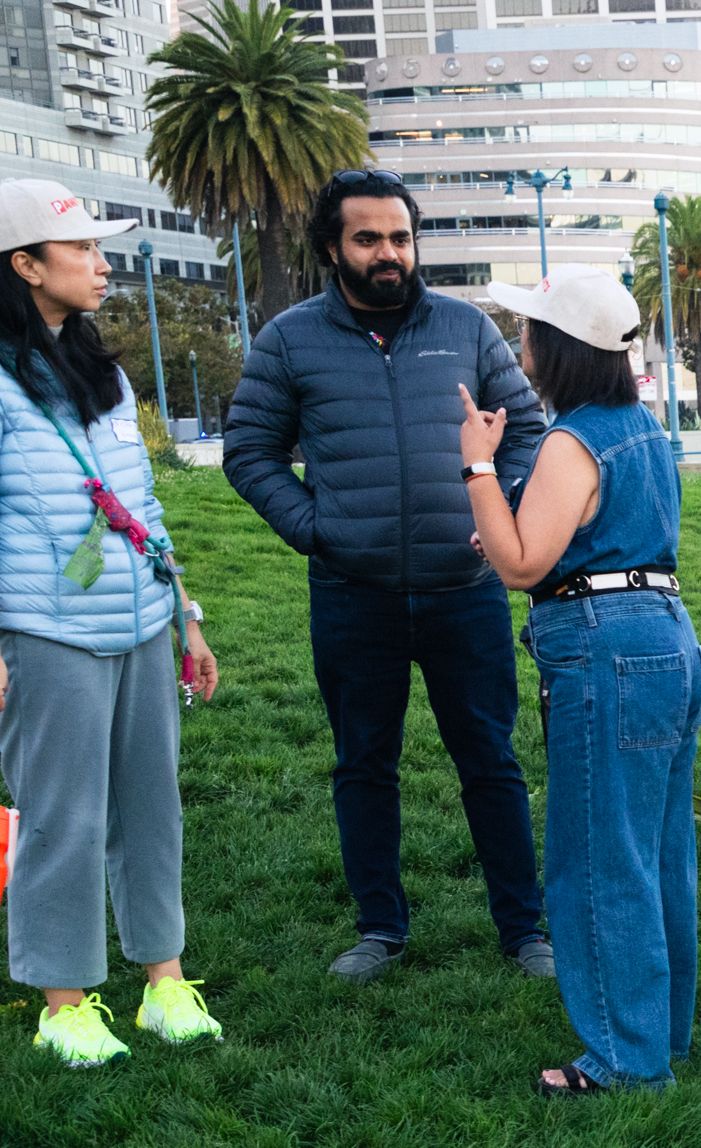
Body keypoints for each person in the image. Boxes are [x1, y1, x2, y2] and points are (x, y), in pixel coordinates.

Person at [0, 179, 223, 1066]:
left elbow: (139, 502)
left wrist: (183, 614)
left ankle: (165, 985)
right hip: (44, 632)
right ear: (26, 265)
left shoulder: (96, 364)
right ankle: (64, 1003)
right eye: (81, 248)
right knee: (63, 819)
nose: (100, 263)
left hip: (136, 622)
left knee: (152, 810)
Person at [226, 168, 554, 986]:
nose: (388, 253)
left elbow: (526, 432)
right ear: (331, 247)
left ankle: (525, 930)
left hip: (464, 592)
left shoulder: (466, 328)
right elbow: (249, 452)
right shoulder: (291, 339)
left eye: (400, 238)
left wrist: (501, 519)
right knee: (363, 764)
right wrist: (315, 531)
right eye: (367, 238)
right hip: (352, 596)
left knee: (490, 760)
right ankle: (380, 928)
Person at [458, 266, 701, 1095]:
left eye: (529, 328)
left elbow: (523, 564)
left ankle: (628, 1063)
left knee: (599, 856)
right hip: (665, 635)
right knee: (659, 849)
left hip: (605, 647)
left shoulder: (572, 441)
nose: (519, 341)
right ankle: (660, 1034)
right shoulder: (642, 428)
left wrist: (479, 468)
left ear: (555, 347)